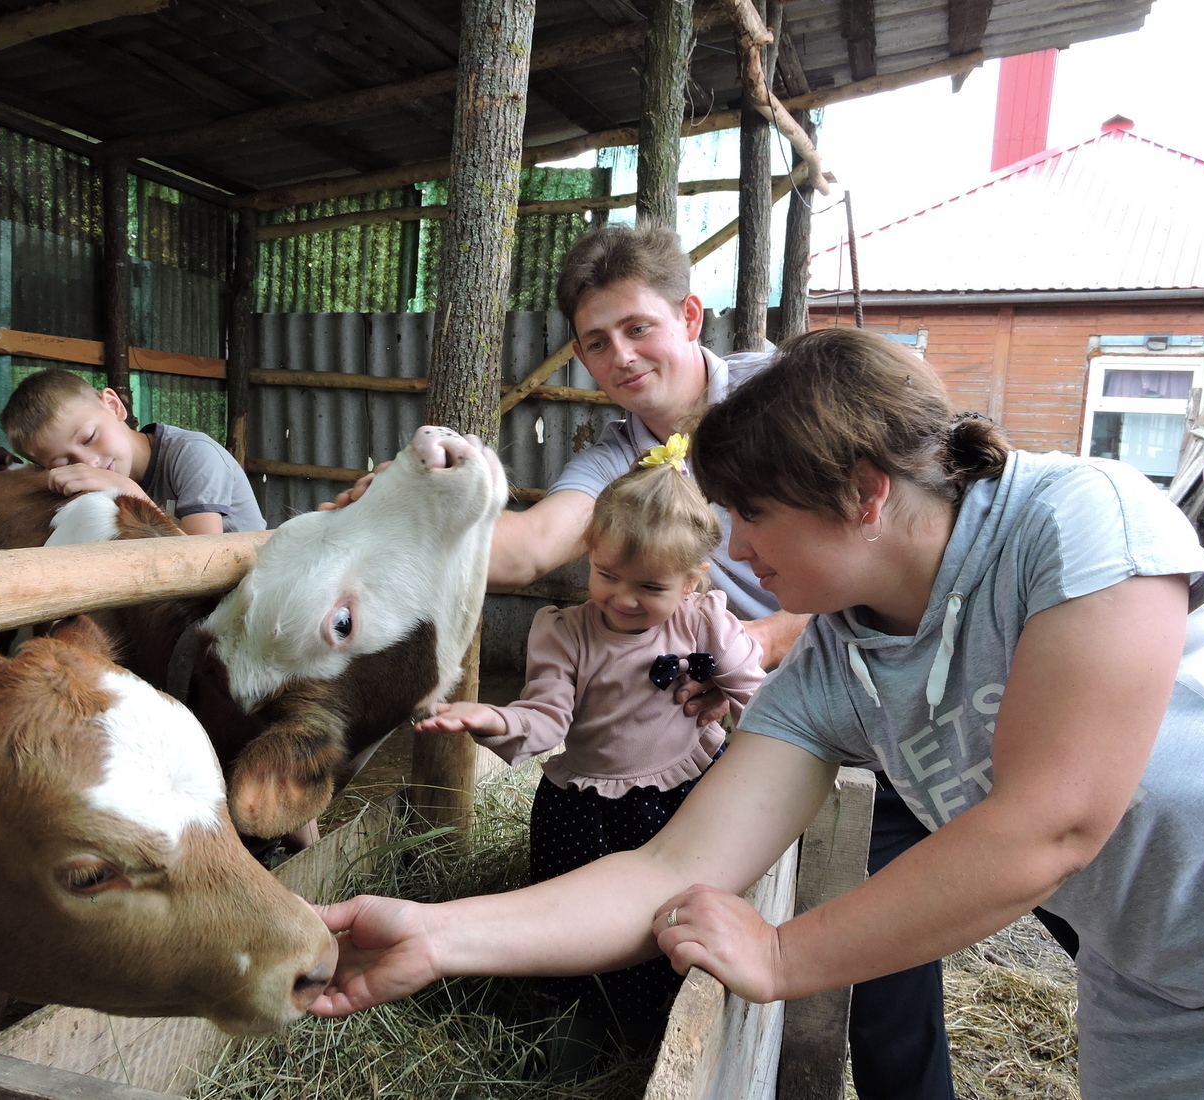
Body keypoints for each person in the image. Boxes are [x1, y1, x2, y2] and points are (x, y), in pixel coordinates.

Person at [311, 327, 1204, 1100]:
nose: (733, 547)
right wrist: (441, 934)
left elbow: (1050, 823)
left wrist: (783, 956)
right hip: (1162, 987)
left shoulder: (1078, 518)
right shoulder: (839, 657)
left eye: (751, 516)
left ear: (862, 490)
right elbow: (670, 866)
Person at [330, 225, 962, 1098]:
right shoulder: (612, 456)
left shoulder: (782, 398)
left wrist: (750, 644)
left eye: (637, 328)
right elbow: (528, 546)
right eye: (595, 342)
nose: (619, 356)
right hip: (767, 713)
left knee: (888, 943)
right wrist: (409, 517)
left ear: (690, 315)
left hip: (785, 675)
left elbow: (1042, 830)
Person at [417, 443, 766, 1060]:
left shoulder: (707, 624)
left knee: (659, 920)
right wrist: (493, 716)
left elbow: (755, 700)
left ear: (693, 581)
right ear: (591, 557)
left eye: (650, 586)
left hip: (674, 800)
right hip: (581, 806)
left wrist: (756, 774)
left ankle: (647, 1032)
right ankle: (570, 1031)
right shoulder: (566, 631)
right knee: (564, 915)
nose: (623, 598)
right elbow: (548, 716)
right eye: (607, 575)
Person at [0, 368, 264, 534]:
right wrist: (5, 467)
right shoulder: (85, 471)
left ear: (114, 406)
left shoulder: (195, 456)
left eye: (89, 437)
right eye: (64, 462)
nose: (88, 463)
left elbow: (204, 564)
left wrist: (130, 491)